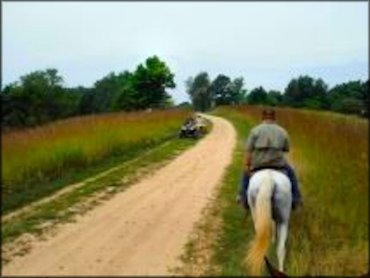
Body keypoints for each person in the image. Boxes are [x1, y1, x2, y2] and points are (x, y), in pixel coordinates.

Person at [236, 108, 302, 210]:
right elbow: (286, 149)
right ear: (274, 117)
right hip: (278, 164)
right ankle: (296, 198)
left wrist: (247, 164)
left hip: (258, 164)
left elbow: (249, 150)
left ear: (263, 117)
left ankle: (242, 196)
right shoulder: (282, 131)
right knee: (292, 173)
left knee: (245, 175)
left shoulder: (255, 130)